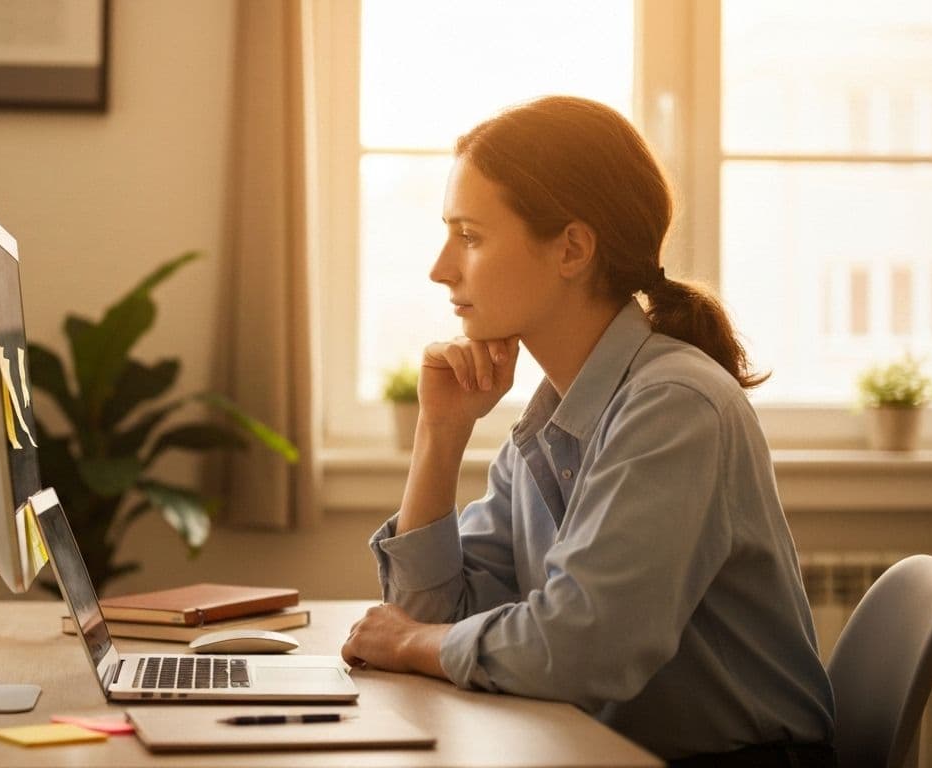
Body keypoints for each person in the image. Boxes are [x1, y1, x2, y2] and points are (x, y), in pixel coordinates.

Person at [339, 96, 836, 767]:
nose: (441, 268)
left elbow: (579, 648)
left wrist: (407, 646)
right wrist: (440, 433)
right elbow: (432, 618)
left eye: (471, 236)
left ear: (571, 248)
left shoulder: (673, 407)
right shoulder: (554, 419)